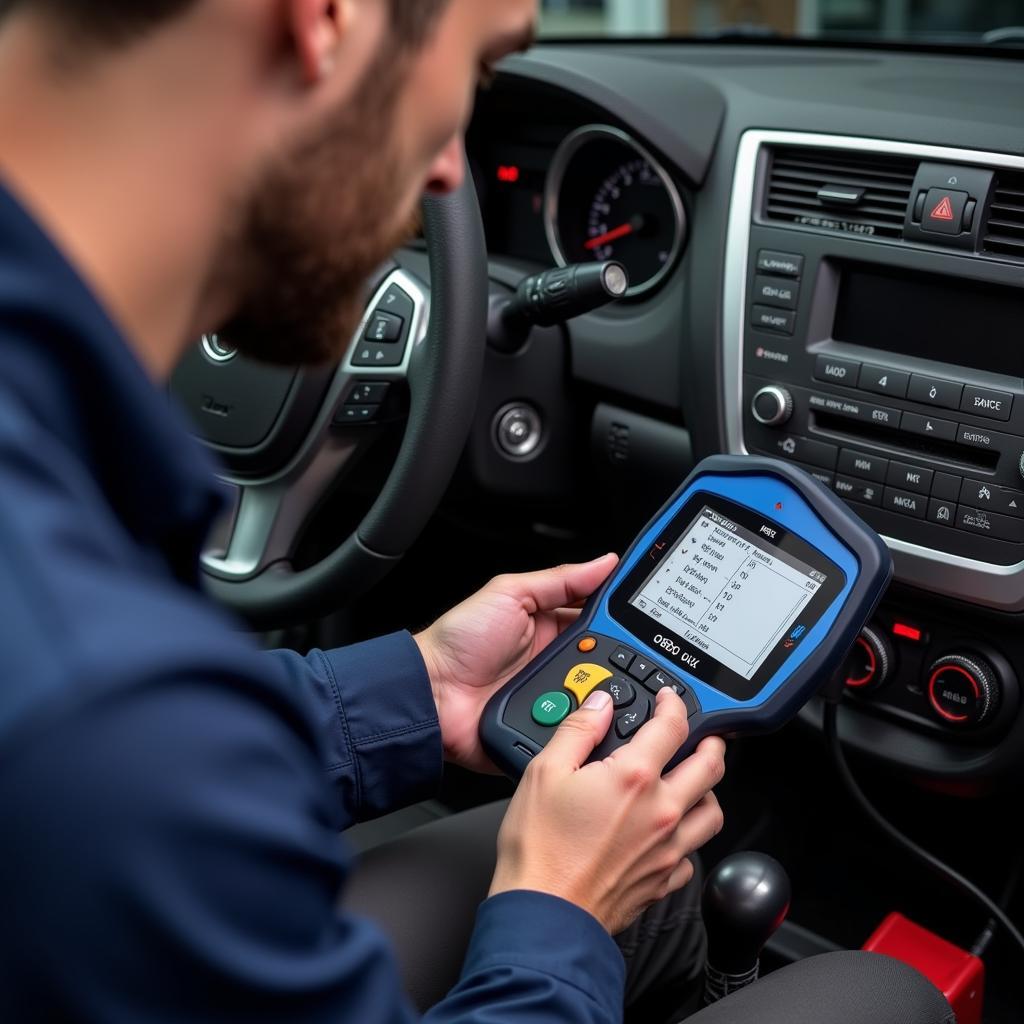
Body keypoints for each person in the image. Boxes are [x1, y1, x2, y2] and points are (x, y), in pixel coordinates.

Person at [0, 2, 955, 1022]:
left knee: (644, 896)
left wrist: (410, 696)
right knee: (879, 993)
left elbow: (153, 764)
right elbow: (117, 755)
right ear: (329, 19)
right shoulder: (91, 700)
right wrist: (559, 911)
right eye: (479, 73)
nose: (451, 170)